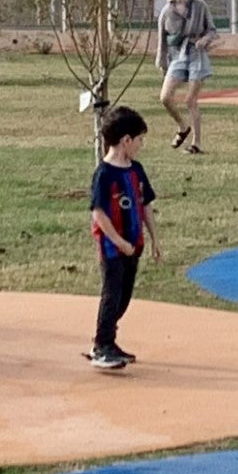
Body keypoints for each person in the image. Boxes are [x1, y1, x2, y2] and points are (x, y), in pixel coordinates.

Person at [87, 104, 162, 371]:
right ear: (125, 140)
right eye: (139, 139)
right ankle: (101, 345)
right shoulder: (104, 175)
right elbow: (99, 213)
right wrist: (118, 242)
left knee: (124, 297)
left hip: (135, 245)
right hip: (112, 247)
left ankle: (108, 338)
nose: (141, 144)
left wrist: (153, 238)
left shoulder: (136, 170)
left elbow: (145, 205)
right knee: (112, 293)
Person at [156, 0, 216, 154]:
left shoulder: (200, 6)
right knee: (165, 97)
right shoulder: (167, 11)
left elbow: (212, 30)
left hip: (196, 55)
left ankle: (196, 144)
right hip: (177, 56)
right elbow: (162, 41)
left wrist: (204, 40)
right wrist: (161, 61)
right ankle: (182, 127)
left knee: (190, 100)